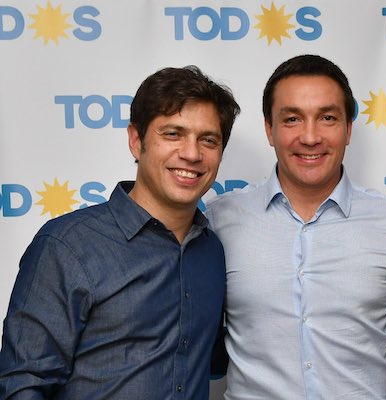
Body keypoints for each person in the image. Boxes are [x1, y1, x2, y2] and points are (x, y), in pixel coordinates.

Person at [0, 65, 240, 399]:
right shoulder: (67, 246)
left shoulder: (213, 250)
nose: (191, 153)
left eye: (208, 140)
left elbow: (213, 357)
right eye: (173, 134)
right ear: (136, 140)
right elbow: (23, 385)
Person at [205, 54, 386, 399]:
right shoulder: (220, 221)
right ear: (269, 130)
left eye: (327, 118)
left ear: (348, 129)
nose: (310, 136)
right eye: (292, 119)